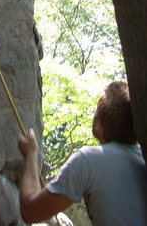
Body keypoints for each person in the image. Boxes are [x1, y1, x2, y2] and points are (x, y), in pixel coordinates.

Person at [17, 81, 147, 225]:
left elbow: (31, 212)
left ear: (99, 126)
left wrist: (30, 156)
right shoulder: (142, 159)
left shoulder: (90, 160)